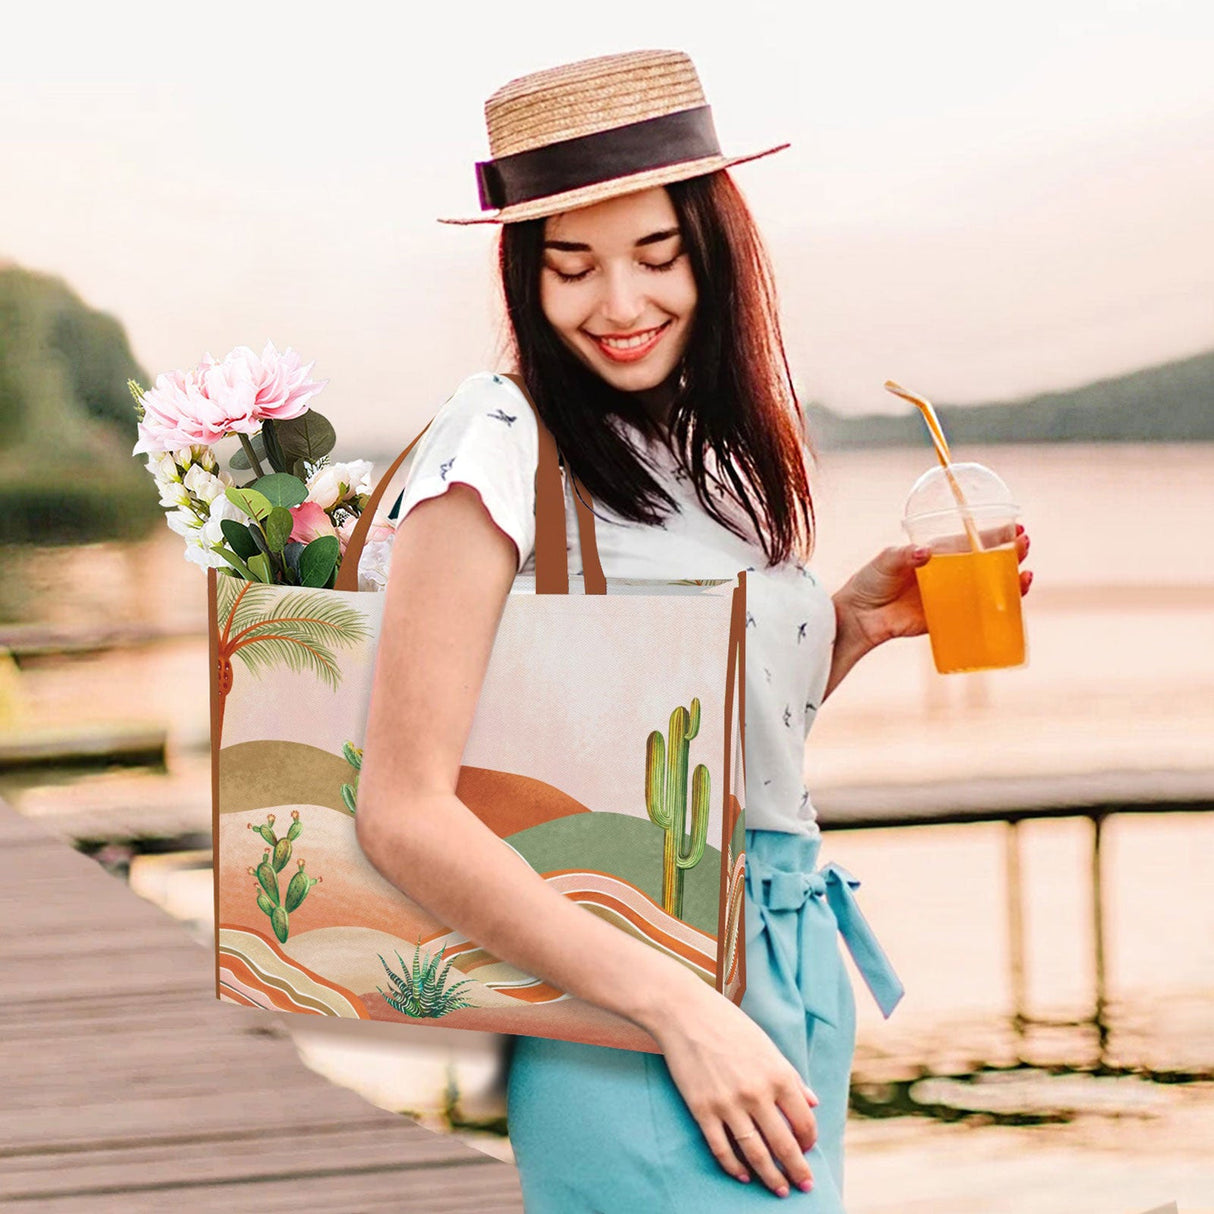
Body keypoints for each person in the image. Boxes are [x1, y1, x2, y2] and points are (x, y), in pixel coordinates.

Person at [355, 49, 1033, 1212]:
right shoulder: (501, 434)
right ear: (526, 276)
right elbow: (404, 804)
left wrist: (850, 622)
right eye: (572, 268)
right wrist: (677, 1010)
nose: (618, 305)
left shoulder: (700, 454)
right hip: (636, 996)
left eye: (655, 256)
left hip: (778, 966)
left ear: (713, 252)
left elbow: (688, 748)